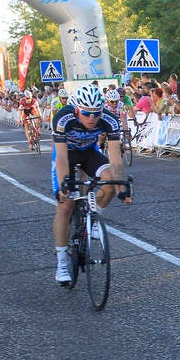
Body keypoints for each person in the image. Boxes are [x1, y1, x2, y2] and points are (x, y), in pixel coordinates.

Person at [51, 84, 130, 285]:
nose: (92, 118)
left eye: (97, 113)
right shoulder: (63, 118)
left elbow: (115, 157)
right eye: (87, 113)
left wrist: (121, 188)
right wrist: (63, 186)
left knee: (111, 182)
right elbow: (60, 157)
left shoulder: (108, 120)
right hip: (66, 155)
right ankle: (61, 262)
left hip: (89, 153)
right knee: (65, 204)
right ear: (77, 109)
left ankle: (93, 220)